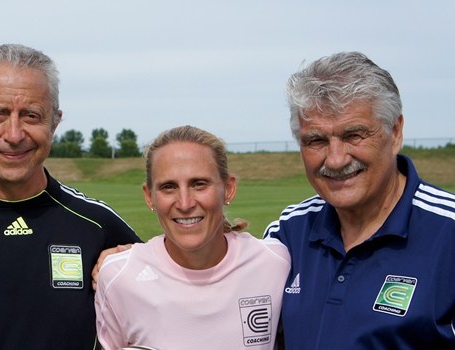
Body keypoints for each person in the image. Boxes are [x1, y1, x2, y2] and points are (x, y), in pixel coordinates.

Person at [0, 44, 141, 349]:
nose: (14, 135)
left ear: (55, 122)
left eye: (31, 116)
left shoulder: (99, 226)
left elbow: (171, 302)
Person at [264, 51, 455, 349]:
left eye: (354, 135)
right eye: (316, 140)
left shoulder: (448, 234)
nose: (336, 160)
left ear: (395, 131)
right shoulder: (287, 233)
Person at [95, 125, 291, 350]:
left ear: (228, 189)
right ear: (149, 197)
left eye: (199, 184)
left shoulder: (276, 263)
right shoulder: (118, 277)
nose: (185, 203)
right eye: (169, 187)